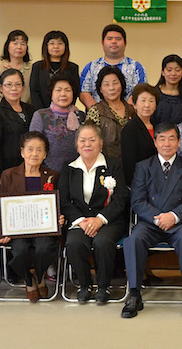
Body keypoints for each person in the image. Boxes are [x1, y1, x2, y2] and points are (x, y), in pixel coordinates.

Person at [122, 123, 182, 319]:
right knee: (133, 240)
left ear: (178, 142)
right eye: (162, 139)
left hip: (180, 222)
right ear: (155, 142)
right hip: (151, 222)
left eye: (171, 138)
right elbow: (138, 200)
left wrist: (173, 217)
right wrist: (158, 219)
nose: (167, 143)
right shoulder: (143, 167)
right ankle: (134, 294)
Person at [59, 123, 129, 304]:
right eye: (82, 140)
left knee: (103, 242)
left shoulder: (113, 166)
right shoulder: (68, 168)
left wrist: (100, 219)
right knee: (74, 242)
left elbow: (121, 198)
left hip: (109, 220)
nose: (87, 144)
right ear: (76, 145)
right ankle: (84, 285)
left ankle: (103, 287)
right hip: (79, 220)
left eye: (92, 140)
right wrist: (81, 221)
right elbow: (64, 201)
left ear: (101, 143)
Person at [0, 132, 63, 302]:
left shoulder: (52, 175)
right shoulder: (8, 175)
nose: (34, 154)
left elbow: (58, 204)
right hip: (18, 230)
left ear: (45, 154)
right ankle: (28, 280)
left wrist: (60, 217)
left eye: (39, 150)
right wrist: (3, 230)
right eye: (30, 149)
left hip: (43, 228)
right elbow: (2, 205)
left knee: (44, 248)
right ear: (22, 152)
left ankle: (39, 276)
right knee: (19, 251)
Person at [29, 71, 85, 172]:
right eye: (58, 90)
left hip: (76, 172)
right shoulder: (41, 115)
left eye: (67, 90)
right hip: (47, 172)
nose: (63, 94)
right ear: (51, 93)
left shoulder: (80, 116)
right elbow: (34, 145)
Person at [79, 24, 146, 108]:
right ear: (102, 43)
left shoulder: (136, 68)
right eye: (109, 39)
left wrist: (123, 113)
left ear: (125, 43)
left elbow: (140, 93)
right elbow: (84, 93)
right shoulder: (91, 67)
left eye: (118, 39)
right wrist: (99, 112)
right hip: (97, 118)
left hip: (128, 118)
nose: (114, 41)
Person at [0, 69, 36, 171]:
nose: (14, 88)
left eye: (18, 84)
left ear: (23, 87)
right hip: (8, 168)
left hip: (31, 165)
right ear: (0, 87)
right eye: (8, 85)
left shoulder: (30, 109)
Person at [85, 66, 135, 159]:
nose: (111, 88)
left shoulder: (131, 110)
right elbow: (90, 141)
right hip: (107, 165)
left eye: (115, 83)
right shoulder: (95, 111)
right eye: (106, 84)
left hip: (130, 163)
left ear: (122, 85)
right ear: (100, 89)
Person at [121, 84, 160, 186]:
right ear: (134, 104)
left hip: (157, 182)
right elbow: (129, 165)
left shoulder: (158, 126)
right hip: (140, 184)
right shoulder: (130, 128)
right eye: (143, 100)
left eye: (151, 101)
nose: (147, 105)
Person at [30, 30, 79, 110]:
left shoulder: (73, 68)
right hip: (41, 112)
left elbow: (75, 91)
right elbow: (34, 92)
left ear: (65, 47)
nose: (56, 46)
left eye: (60, 43)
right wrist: (43, 113)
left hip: (65, 112)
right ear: (46, 46)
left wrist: (65, 108)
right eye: (52, 43)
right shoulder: (37, 67)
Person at [0, 30, 32, 105]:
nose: (19, 47)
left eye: (23, 44)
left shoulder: (33, 68)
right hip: (3, 112)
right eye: (15, 43)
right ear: (7, 46)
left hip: (28, 112)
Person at [153, 54, 182, 125]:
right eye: (169, 70)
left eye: (177, 70)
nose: (173, 74)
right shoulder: (154, 93)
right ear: (163, 72)